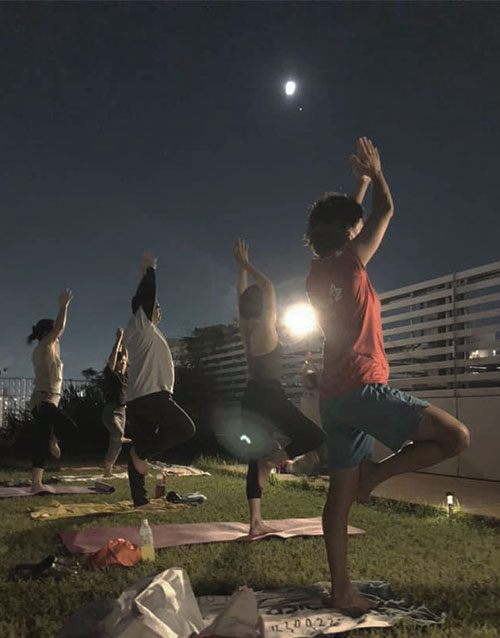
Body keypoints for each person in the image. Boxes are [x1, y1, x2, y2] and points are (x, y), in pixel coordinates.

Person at [305, 137, 470, 613]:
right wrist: (376, 175)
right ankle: (376, 474)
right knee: (454, 436)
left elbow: (346, 223)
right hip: (363, 387)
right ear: (348, 235)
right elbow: (387, 210)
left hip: (333, 399)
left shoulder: (316, 273)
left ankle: (341, 589)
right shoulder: (354, 264)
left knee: (339, 495)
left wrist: (354, 187)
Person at [233, 239, 325, 537]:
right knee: (313, 435)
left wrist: (240, 272)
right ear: (264, 307)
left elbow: (240, 296)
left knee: (252, 460)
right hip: (271, 395)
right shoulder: (266, 326)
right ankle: (272, 461)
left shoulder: (246, 329)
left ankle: (255, 523)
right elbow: (269, 285)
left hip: (250, 396)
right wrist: (246, 265)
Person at [123, 252, 196, 509]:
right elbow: (146, 297)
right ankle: (141, 454)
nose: (159, 309)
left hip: (143, 396)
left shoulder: (147, 330)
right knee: (185, 428)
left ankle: (140, 500)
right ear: (145, 310)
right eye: (156, 306)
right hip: (151, 395)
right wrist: (150, 270)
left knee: (141, 443)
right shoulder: (140, 324)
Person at [27, 289, 77, 493]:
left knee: (40, 443)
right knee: (70, 427)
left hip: (46, 403)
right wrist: (64, 307)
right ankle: (53, 440)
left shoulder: (49, 351)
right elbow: (59, 329)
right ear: (47, 333)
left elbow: (57, 334)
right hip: (44, 402)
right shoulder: (44, 346)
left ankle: (36, 484)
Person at [283, 353, 326, 476]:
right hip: (311, 413)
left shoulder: (316, 393)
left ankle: (314, 467)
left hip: (317, 413)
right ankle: (303, 467)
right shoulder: (307, 396)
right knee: (312, 448)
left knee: (318, 445)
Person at [101, 328, 131, 478]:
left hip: (122, 411)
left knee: (117, 443)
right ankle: (122, 436)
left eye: (125, 362)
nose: (124, 363)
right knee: (118, 434)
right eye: (122, 362)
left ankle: (108, 471)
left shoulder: (124, 376)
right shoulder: (111, 373)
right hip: (111, 411)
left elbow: (125, 354)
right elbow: (114, 355)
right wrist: (119, 339)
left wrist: (124, 341)